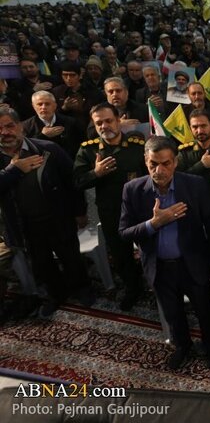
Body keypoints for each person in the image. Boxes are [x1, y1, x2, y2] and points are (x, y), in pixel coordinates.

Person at [118, 136, 210, 370]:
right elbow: (124, 233)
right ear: (145, 161)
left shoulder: (194, 185)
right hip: (160, 267)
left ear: (175, 162)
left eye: (165, 163)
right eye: (153, 163)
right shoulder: (133, 190)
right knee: (173, 314)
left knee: (204, 310)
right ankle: (182, 347)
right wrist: (155, 223)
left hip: (192, 263)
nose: (159, 169)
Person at [0, 107, 93, 317]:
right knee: (42, 264)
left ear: (21, 126)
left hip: (57, 217)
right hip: (23, 225)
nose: (4, 132)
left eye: (9, 126)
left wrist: (80, 211)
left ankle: (82, 289)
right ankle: (55, 294)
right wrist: (14, 170)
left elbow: (73, 181)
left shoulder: (48, 149)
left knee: (71, 257)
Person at [74, 103, 147, 310]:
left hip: (141, 209)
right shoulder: (88, 150)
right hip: (111, 211)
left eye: (108, 121)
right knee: (120, 254)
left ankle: (157, 282)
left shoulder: (137, 145)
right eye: (99, 123)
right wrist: (95, 174)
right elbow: (77, 182)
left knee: (151, 247)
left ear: (118, 120)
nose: (104, 126)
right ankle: (133, 287)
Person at [22, 90, 84, 158]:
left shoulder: (71, 123)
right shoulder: (25, 126)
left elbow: (80, 146)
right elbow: (25, 150)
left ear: (55, 105)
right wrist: (43, 136)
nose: (43, 107)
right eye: (39, 104)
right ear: (33, 106)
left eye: (47, 104)